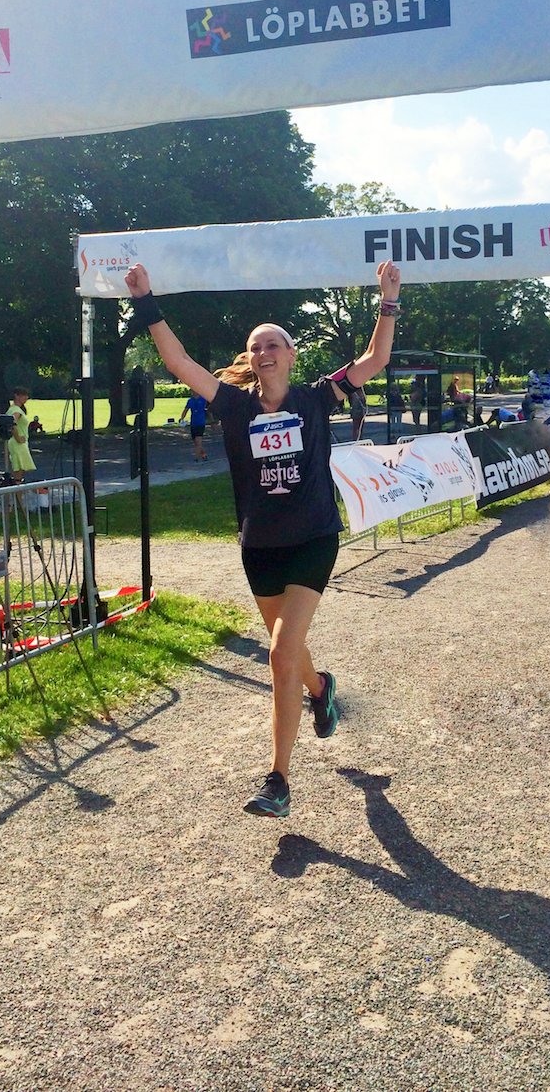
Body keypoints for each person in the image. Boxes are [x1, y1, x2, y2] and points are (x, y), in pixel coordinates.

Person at [125, 257, 402, 818]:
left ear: (292, 355)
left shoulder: (318, 397)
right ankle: (321, 691)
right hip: (260, 545)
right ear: (250, 360)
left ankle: (278, 779)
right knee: (289, 649)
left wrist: (388, 299)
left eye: (274, 343)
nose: (265, 351)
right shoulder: (232, 404)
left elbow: (376, 359)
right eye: (256, 346)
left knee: (278, 653)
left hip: (314, 538)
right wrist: (145, 300)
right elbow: (177, 362)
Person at [6, 387, 35, 482]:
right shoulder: (16, 410)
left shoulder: (13, 408)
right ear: (16, 396)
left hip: (17, 442)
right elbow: (12, 424)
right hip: (18, 443)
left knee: (18, 471)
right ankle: (18, 495)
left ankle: (16, 494)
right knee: (19, 471)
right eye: (23, 395)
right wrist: (18, 438)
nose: (26, 397)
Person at [179, 391, 208, 460]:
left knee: (198, 440)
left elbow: (208, 410)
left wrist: (212, 419)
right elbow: (185, 410)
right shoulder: (190, 401)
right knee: (196, 442)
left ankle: (196, 457)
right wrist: (182, 418)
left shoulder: (203, 400)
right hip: (193, 423)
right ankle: (203, 455)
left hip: (201, 422)